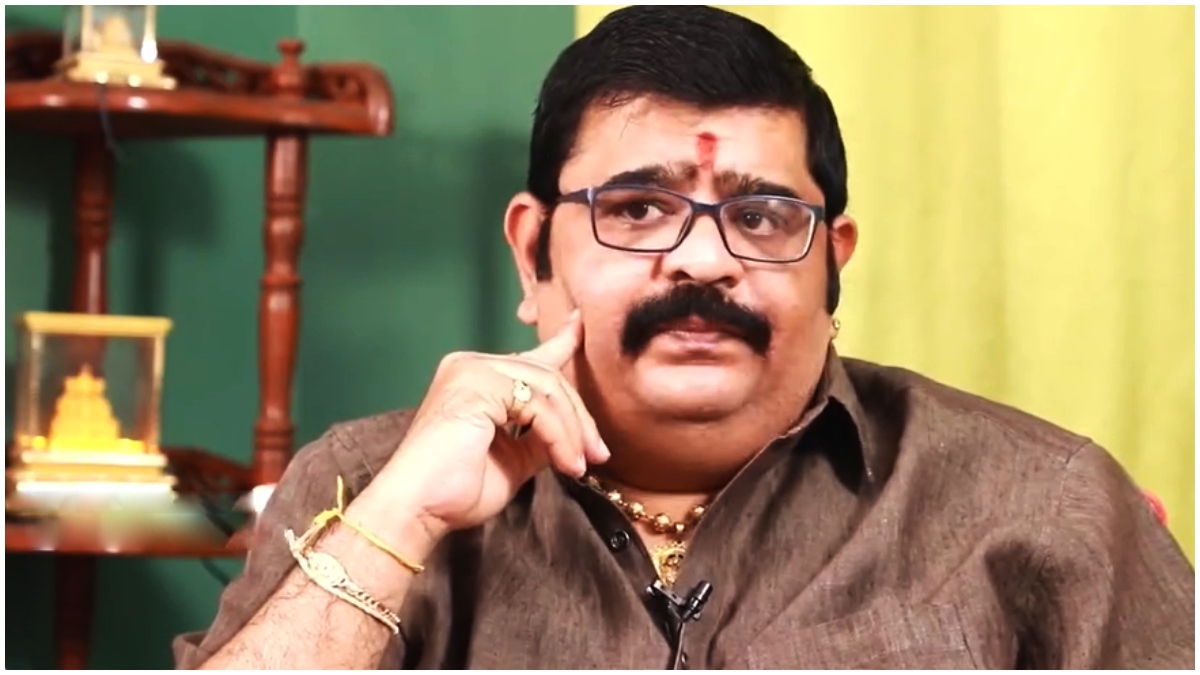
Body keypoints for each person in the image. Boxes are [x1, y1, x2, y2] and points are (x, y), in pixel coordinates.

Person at [176, 5, 1194, 670]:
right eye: (637, 208)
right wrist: (402, 520)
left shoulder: (1042, 507)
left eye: (762, 216)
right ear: (532, 253)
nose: (703, 262)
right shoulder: (365, 489)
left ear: (832, 263)